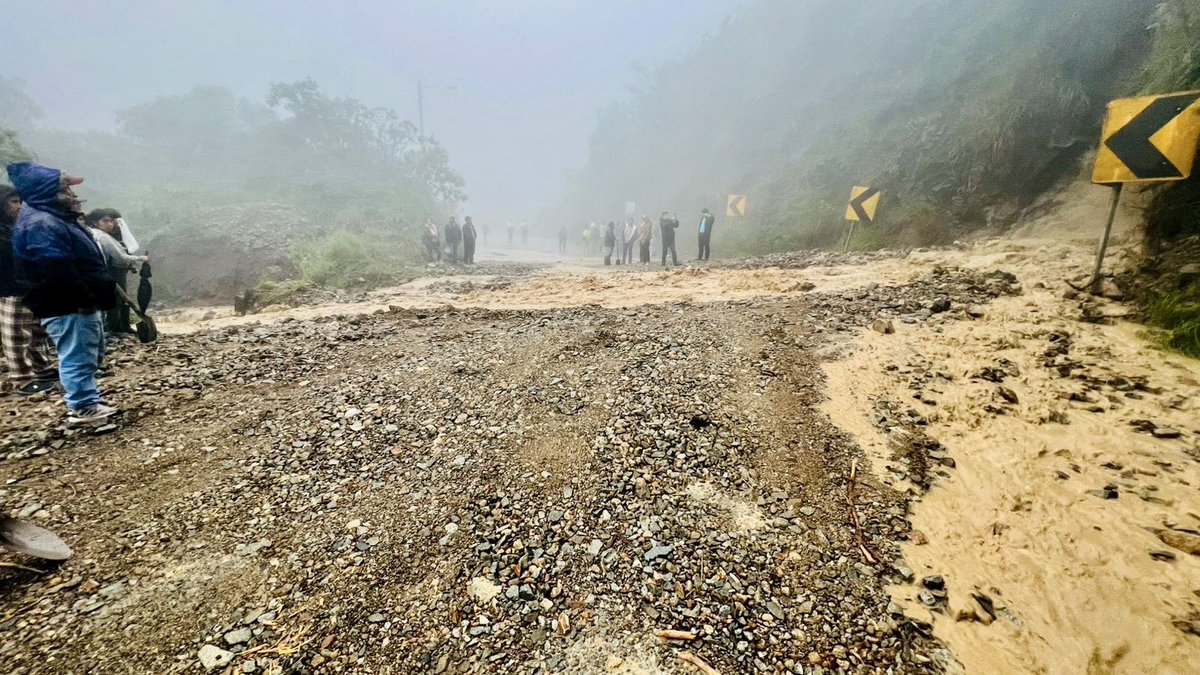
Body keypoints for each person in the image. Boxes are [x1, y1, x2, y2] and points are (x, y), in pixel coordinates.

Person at [8, 161, 118, 423]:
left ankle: (86, 398)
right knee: (76, 353)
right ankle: (83, 406)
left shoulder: (53, 218)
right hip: (67, 304)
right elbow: (56, 269)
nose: (73, 195)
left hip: (74, 302)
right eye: (66, 190)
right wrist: (83, 300)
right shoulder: (42, 224)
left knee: (86, 350)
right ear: (46, 192)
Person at [0, 185, 57, 396]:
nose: (19, 206)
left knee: (35, 331)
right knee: (15, 335)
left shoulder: (15, 228)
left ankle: (40, 369)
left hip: (30, 286)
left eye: (19, 201)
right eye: (13, 202)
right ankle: (22, 379)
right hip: (10, 289)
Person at [88, 208, 147, 337]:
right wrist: (139, 258)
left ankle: (123, 327)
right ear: (95, 222)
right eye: (105, 221)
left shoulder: (100, 235)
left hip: (110, 272)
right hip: (111, 272)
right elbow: (119, 257)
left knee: (120, 300)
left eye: (111, 221)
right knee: (115, 300)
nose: (110, 224)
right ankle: (115, 329)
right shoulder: (102, 236)